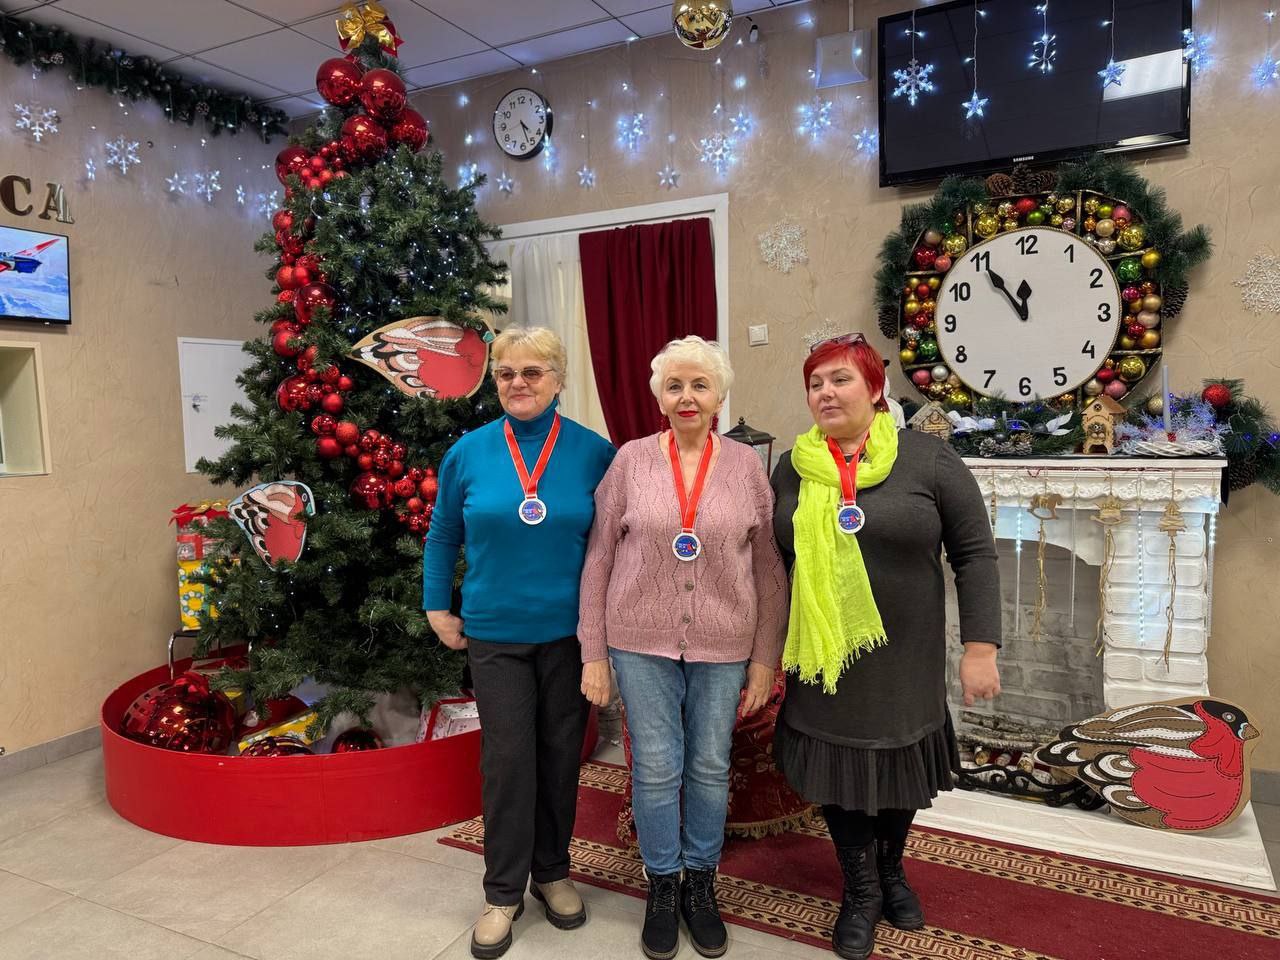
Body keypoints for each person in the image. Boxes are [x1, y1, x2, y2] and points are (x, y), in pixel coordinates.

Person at [770, 332, 1001, 960]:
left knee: (899, 767)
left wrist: (981, 646)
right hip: (823, 652)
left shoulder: (929, 459)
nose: (826, 392)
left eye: (840, 379)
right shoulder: (792, 466)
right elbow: (771, 561)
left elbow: (975, 554)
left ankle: (892, 869)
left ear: (875, 389)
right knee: (838, 769)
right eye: (815, 383)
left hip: (905, 655)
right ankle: (862, 888)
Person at [579, 335, 789, 960]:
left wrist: (764, 658)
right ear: (660, 398)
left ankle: (701, 880)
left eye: (700, 385)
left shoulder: (746, 466)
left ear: (719, 396)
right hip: (638, 641)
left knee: (708, 764)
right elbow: (599, 558)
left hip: (725, 642)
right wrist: (593, 652)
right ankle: (662, 883)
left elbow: (769, 567)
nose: (687, 396)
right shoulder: (630, 461)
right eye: (675, 386)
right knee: (656, 766)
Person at [423, 326, 615, 960]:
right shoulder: (469, 452)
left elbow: (617, 544)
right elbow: (443, 533)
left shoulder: (594, 453)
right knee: (507, 763)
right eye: (506, 373)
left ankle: (552, 872)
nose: (518, 383)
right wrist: (436, 605)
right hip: (495, 634)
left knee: (561, 757)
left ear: (558, 379)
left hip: (569, 636)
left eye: (532, 372)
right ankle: (502, 892)